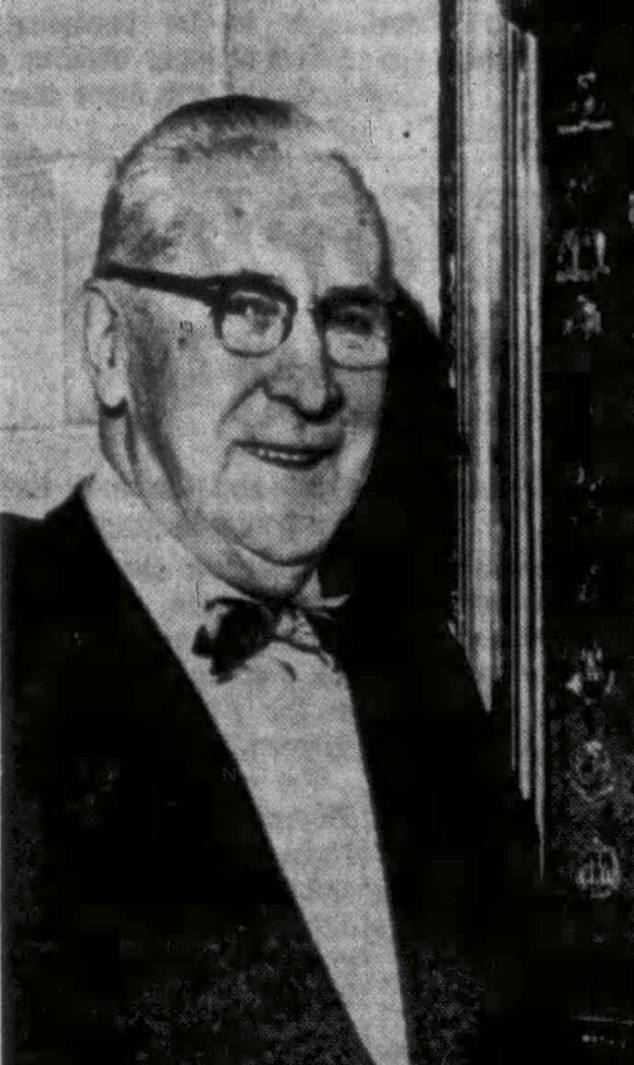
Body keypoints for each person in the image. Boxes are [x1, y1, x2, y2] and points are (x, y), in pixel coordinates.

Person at [3, 96, 578, 1064]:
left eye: (348, 319)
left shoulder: (420, 679)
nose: (312, 387)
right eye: (247, 309)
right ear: (109, 347)